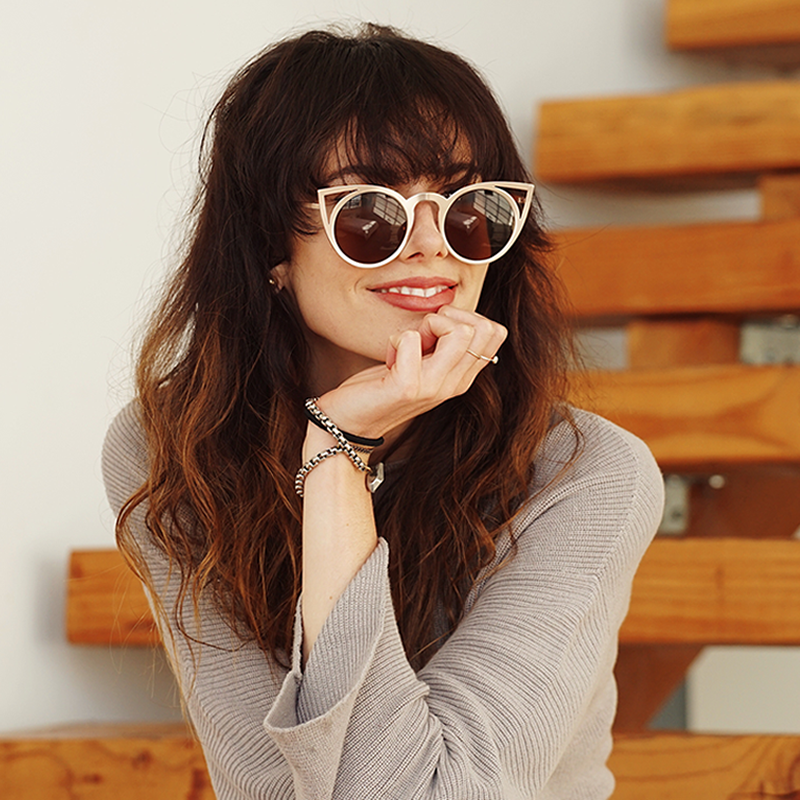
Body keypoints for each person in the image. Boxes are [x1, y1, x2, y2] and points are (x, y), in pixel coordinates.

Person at [102, 23, 664, 800]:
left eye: (467, 208)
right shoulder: (174, 446)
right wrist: (340, 449)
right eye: (370, 211)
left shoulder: (587, 473)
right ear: (269, 244)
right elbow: (266, 787)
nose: (435, 246)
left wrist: (335, 454)